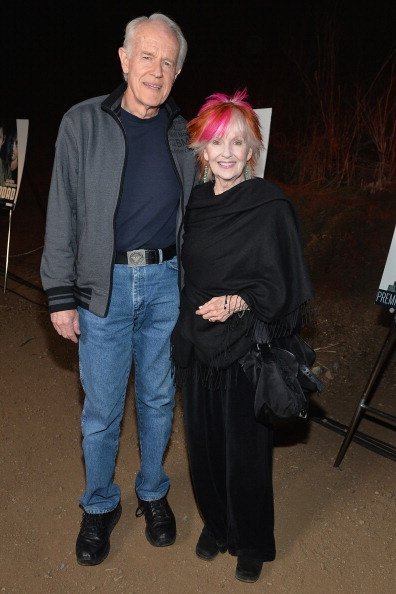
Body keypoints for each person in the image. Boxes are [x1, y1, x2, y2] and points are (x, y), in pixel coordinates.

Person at [41, 13, 195, 566]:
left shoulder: (185, 131)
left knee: (157, 398)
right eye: (147, 57)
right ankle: (100, 504)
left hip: (164, 286)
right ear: (125, 59)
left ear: (177, 74)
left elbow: (208, 203)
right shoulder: (82, 123)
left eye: (168, 62)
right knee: (103, 409)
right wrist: (60, 293)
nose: (157, 70)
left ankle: (153, 493)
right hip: (101, 287)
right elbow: (62, 210)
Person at [171, 90, 313, 583]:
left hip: (245, 349)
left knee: (245, 453)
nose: (227, 152)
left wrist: (237, 301)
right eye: (216, 143)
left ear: (251, 150)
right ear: (202, 152)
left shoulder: (270, 205)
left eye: (237, 142)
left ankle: (251, 539)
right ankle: (216, 525)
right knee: (204, 445)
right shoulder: (193, 205)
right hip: (196, 345)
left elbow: (285, 283)